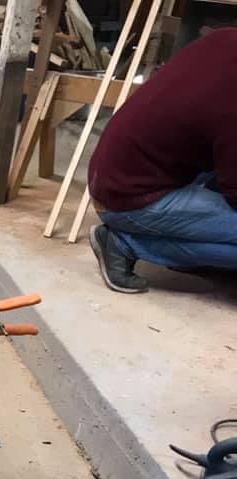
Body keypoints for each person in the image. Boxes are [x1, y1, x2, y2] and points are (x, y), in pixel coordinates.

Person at [87, 27, 237, 293]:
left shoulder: (226, 38)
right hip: (128, 197)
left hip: (119, 171)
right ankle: (123, 244)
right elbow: (235, 191)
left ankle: (200, 246)